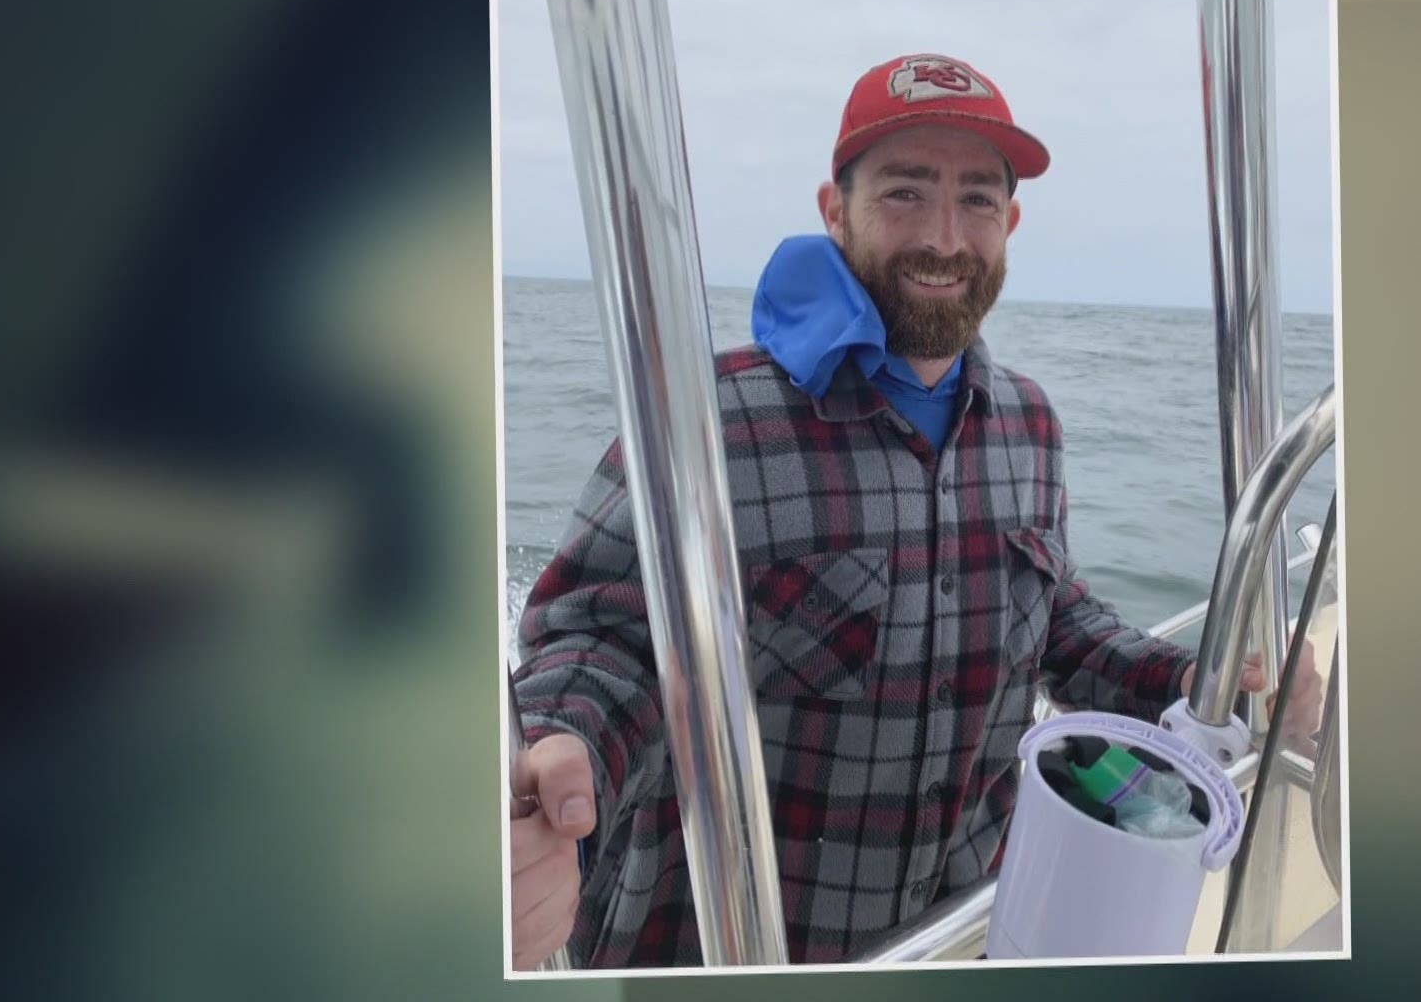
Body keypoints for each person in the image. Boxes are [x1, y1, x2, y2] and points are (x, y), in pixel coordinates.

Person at [508, 53, 1323, 970]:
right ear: (834, 209)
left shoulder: (1030, 423)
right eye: (904, 193)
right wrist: (561, 756)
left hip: (963, 933)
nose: (945, 237)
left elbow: (1055, 620)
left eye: (978, 200)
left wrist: (1201, 681)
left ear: (1010, 223)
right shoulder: (701, 423)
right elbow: (602, 645)